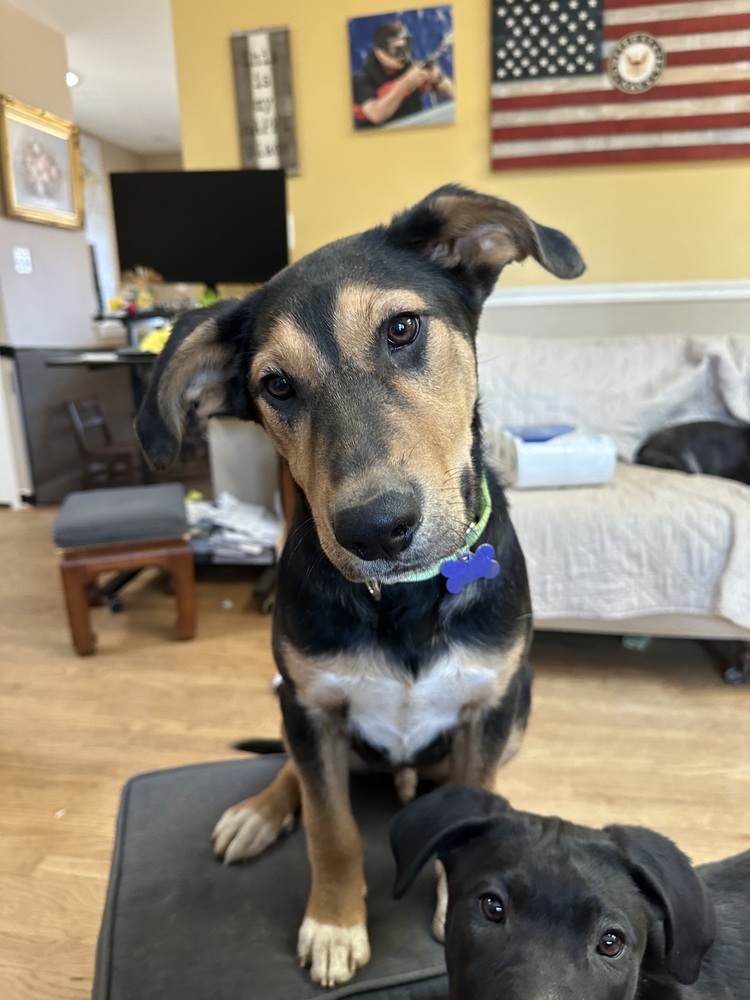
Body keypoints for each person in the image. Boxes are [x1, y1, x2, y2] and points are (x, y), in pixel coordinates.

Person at [352, 21, 454, 129]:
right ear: (379, 53)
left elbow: (454, 94)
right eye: (395, 50)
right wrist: (406, 83)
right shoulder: (361, 80)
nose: (403, 55)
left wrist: (438, 80)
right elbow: (376, 115)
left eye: (406, 47)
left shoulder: (411, 67)